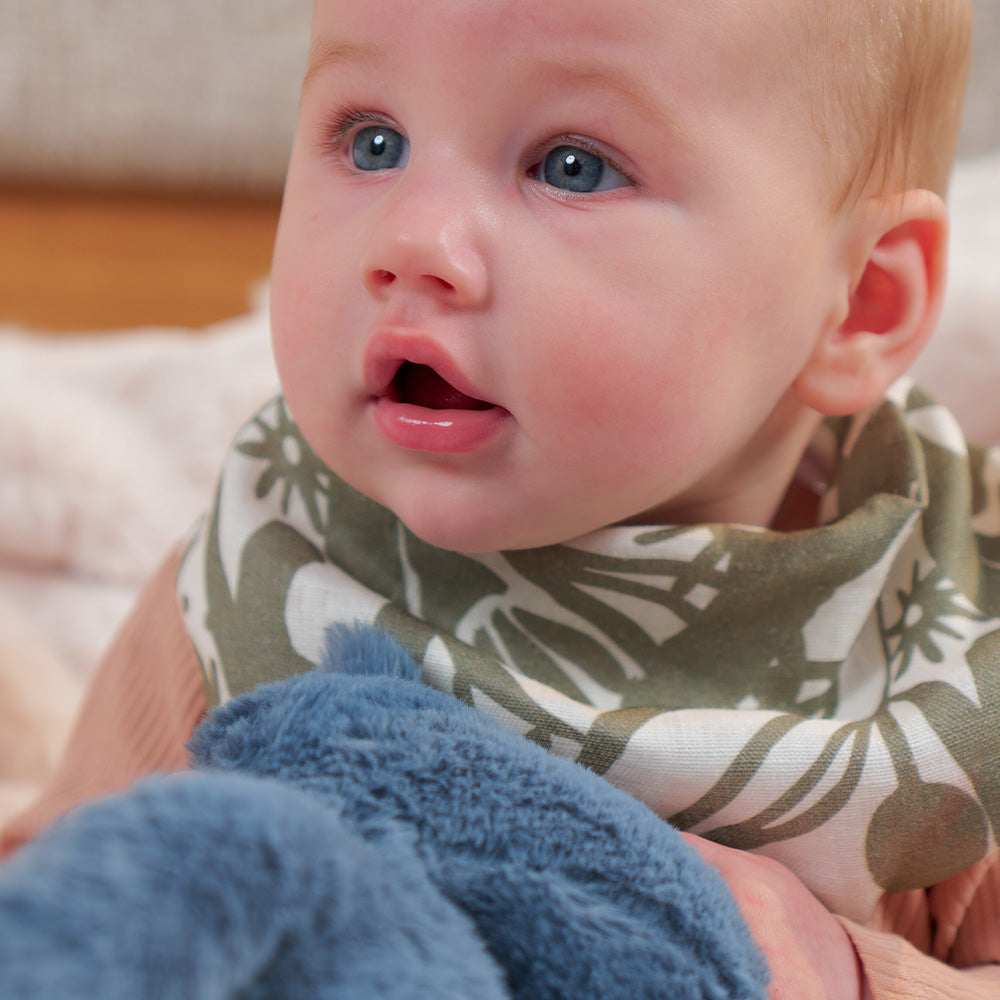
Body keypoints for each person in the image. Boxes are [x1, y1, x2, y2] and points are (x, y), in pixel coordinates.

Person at [4, 0, 997, 995]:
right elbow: (75, 909)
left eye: (573, 166)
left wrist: (859, 975)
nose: (411, 240)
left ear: (860, 299)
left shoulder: (952, 659)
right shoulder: (245, 584)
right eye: (372, 141)